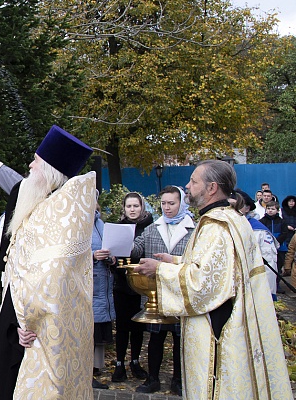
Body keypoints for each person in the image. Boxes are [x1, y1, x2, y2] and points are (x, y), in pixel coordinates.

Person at [0, 125, 94, 399]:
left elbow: (52, 276)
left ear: (50, 172)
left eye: (36, 161)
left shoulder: (59, 216)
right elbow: (11, 179)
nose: (30, 166)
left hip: (33, 323)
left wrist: (27, 320)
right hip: (15, 308)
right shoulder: (37, 194)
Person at [136, 160, 290, 399]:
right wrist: (175, 262)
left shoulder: (216, 226)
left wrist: (160, 270)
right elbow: (218, 267)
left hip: (218, 327)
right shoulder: (231, 218)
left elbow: (204, 284)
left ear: (211, 188)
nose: (188, 186)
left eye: (194, 181)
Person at [130, 186, 193, 395]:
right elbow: (136, 249)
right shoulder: (152, 228)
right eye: (163, 203)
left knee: (179, 339)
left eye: (172, 203)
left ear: (181, 203)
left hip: (180, 291)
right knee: (155, 337)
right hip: (156, 293)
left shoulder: (194, 230)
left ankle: (178, 380)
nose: (167, 208)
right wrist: (121, 243)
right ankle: (153, 378)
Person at [110, 192, 151, 383]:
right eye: (129, 206)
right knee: (122, 326)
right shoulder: (118, 227)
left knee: (137, 326)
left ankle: (135, 361)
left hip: (142, 284)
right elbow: (112, 253)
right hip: (121, 283)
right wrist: (111, 260)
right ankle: (119, 363)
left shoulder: (149, 227)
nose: (132, 210)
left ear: (142, 207)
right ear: (124, 208)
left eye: (136, 206)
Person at [230, 189, 279, 300]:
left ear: (247, 208)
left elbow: (269, 266)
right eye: (230, 206)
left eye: (237, 205)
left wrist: (267, 295)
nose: (232, 209)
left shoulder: (258, 231)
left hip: (252, 292)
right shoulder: (226, 227)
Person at [90, 210, 113, 390]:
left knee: (96, 334)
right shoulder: (74, 220)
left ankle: (92, 371)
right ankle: (85, 375)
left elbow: (110, 246)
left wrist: (111, 257)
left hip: (103, 285)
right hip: (89, 286)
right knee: (87, 333)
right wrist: (92, 255)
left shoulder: (100, 223)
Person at [280, 195, 296, 276]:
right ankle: (286, 268)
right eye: (290, 201)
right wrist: (287, 226)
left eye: (293, 201)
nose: (291, 203)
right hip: (286, 234)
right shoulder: (282, 211)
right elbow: (281, 221)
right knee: (286, 252)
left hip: (294, 233)